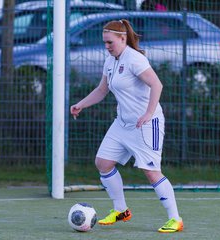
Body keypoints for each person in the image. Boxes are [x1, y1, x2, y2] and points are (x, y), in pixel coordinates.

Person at [70, 19, 183, 233]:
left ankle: (175, 218)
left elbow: (157, 84)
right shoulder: (110, 60)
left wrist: (148, 113)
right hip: (122, 123)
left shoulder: (135, 59)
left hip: (146, 124)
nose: (106, 46)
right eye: (104, 42)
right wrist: (81, 105)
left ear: (123, 39)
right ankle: (121, 210)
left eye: (110, 42)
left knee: (151, 172)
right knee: (103, 163)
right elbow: (102, 90)